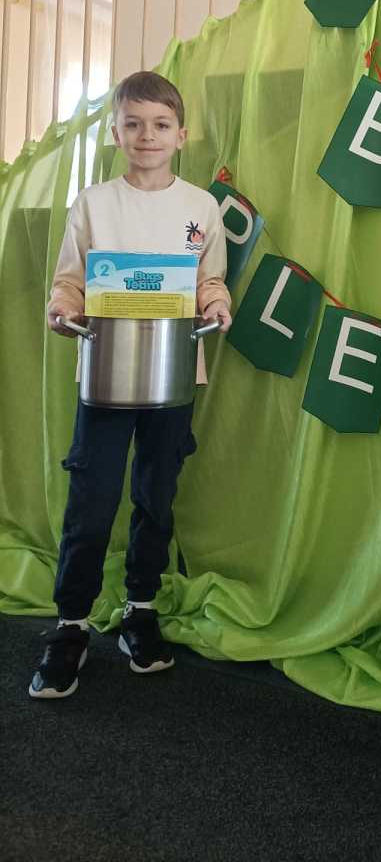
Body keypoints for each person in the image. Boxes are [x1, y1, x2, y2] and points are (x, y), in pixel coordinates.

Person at [29, 72, 232, 700]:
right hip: (106, 375)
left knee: (156, 497)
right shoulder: (93, 203)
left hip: (173, 376)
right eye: (134, 124)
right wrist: (63, 309)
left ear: (181, 135)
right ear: (116, 133)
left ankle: (140, 609)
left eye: (161, 125)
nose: (148, 136)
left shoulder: (202, 207)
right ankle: (70, 625)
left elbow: (210, 279)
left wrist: (216, 303)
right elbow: (69, 281)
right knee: (91, 502)